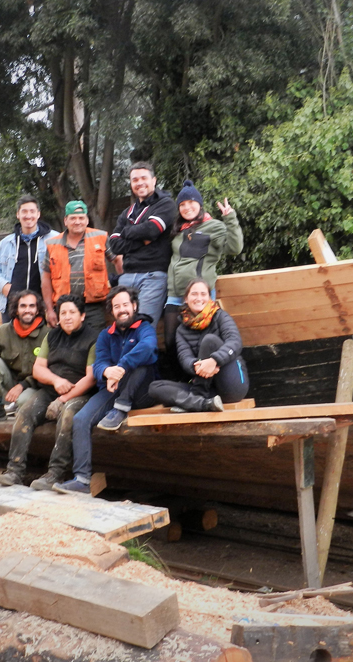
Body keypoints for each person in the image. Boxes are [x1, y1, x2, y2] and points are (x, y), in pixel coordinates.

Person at [53, 286, 158, 494]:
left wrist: (121, 366)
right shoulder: (105, 335)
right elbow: (99, 363)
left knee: (142, 364)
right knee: (80, 419)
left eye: (125, 305)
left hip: (141, 393)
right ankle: (82, 480)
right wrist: (108, 371)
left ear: (134, 306)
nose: (122, 310)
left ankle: (121, 408)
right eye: (116, 306)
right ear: (112, 311)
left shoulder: (144, 328)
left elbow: (147, 348)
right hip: (112, 389)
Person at [0, 294, 100, 489]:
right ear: (58, 317)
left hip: (79, 393)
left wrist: (63, 399)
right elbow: (38, 369)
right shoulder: (51, 336)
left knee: (68, 415)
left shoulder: (93, 338)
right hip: (50, 390)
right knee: (24, 412)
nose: (67, 317)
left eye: (72, 312)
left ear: (82, 316)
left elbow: (90, 377)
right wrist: (56, 380)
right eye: (63, 313)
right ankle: (15, 470)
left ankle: (55, 474)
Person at [163, 181, 243, 372]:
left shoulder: (212, 226)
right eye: (182, 204)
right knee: (170, 340)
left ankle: (205, 385)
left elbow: (234, 248)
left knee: (202, 342)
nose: (187, 207)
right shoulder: (179, 229)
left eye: (191, 202)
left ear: (199, 204)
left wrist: (229, 218)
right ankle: (183, 382)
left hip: (200, 295)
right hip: (176, 294)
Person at [148, 279, 249, 413]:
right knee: (155, 387)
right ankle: (202, 404)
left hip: (231, 386)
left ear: (209, 297)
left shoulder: (220, 316)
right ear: (186, 299)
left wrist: (214, 361)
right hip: (207, 391)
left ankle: (194, 400)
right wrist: (199, 365)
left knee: (210, 341)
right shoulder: (181, 329)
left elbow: (235, 342)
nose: (199, 298)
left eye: (203, 294)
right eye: (194, 294)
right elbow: (185, 359)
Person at [105, 162, 177, 327]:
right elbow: (114, 245)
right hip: (127, 275)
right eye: (135, 180)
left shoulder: (165, 204)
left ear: (154, 180)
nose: (139, 183)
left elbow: (152, 230)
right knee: (122, 327)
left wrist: (127, 232)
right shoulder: (128, 212)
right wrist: (142, 239)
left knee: (142, 327)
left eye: (144, 178)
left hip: (153, 275)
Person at [0, 289, 49, 425]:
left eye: (32, 306)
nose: (28, 310)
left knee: (23, 402)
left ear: (38, 310)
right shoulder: (2, 332)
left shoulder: (49, 335)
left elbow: (51, 370)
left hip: (37, 386)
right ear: (16, 310)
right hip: (12, 383)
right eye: (23, 306)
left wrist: (23, 385)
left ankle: (23, 406)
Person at [41, 200, 111, 332]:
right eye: (73, 218)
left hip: (93, 306)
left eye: (81, 218)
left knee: (96, 344)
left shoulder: (100, 237)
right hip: (64, 307)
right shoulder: (52, 244)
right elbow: (45, 279)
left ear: (87, 220)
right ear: (65, 221)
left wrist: (118, 292)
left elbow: (118, 260)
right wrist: (49, 310)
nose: (77, 222)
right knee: (67, 345)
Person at [0, 194, 53, 322]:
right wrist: (6, 288)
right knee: (11, 341)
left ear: (38, 214)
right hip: (12, 306)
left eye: (32, 211)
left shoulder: (54, 240)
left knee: (40, 341)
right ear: (18, 214)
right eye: (24, 211)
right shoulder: (6, 243)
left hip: (42, 306)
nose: (28, 215)